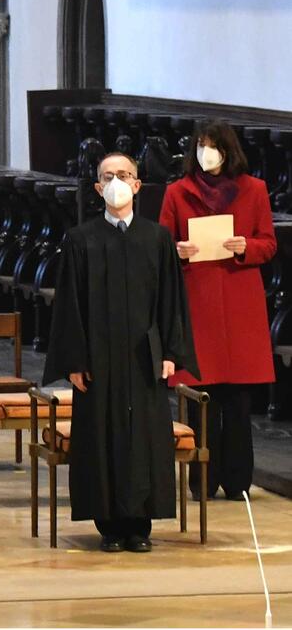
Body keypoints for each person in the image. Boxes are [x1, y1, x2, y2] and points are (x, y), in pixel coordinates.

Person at [44, 152, 199, 554]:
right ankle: (109, 525)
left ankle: (140, 525)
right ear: (98, 188)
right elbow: (69, 306)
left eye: (124, 175)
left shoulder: (157, 238)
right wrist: (74, 361)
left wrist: (170, 351)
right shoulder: (81, 239)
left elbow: (171, 300)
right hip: (97, 358)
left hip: (144, 355)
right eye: (108, 176)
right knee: (101, 435)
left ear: (137, 185)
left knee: (144, 438)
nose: (116, 181)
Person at [160, 119, 276, 500]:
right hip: (197, 301)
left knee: (238, 402)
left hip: (240, 302)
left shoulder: (254, 189)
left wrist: (246, 247)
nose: (204, 153)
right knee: (199, 399)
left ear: (228, 152)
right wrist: (175, 252)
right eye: (199, 146)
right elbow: (161, 244)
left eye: (212, 146)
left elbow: (268, 243)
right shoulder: (178, 192)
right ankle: (202, 480)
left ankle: (238, 481)